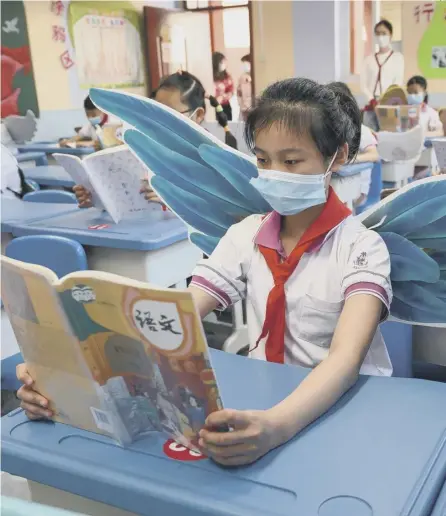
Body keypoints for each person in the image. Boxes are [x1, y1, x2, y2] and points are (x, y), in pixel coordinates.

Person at [16, 78, 393, 467]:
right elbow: (174, 317)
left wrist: (276, 426)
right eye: (263, 160)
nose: (274, 173)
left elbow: (344, 361)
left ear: (339, 156)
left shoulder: (362, 249)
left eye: (292, 161)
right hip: (263, 399)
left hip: (342, 412)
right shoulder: (246, 235)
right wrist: (64, 375)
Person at [74, 71, 237, 208]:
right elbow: (130, 200)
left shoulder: (212, 157)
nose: (160, 121)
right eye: (156, 112)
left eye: (169, 114)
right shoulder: (147, 149)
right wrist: (98, 198)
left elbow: (222, 211)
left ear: (198, 115)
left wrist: (175, 202)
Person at [331, 82, 380, 207]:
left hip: (358, 191)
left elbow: (374, 155)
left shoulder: (361, 130)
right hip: (335, 184)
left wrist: (350, 159)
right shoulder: (327, 130)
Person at [361, 20, 404, 110]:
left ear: (390, 35)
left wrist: (386, 100)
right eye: (378, 33)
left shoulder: (398, 58)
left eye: (384, 33)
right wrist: (371, 100)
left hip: (389, 104)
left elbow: (397, 82)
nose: (380, 37)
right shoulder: (368, 60)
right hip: (371, 104)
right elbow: (363, 84)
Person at [212, 52, 234, 121]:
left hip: (225, 107)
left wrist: (223, 97)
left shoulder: (227, 76)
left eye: (224, 62)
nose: (224, 65)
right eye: (222, 62)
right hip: (213, 108)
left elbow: (231, 91)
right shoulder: (210, 76)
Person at [237, 54, 252, 121]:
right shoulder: (242, 77)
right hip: (244, 109)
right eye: (244, 64)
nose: (245, 66)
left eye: (246, 63)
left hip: (253, 107)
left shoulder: (256, 76)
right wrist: (242, 105)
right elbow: (239, 93)